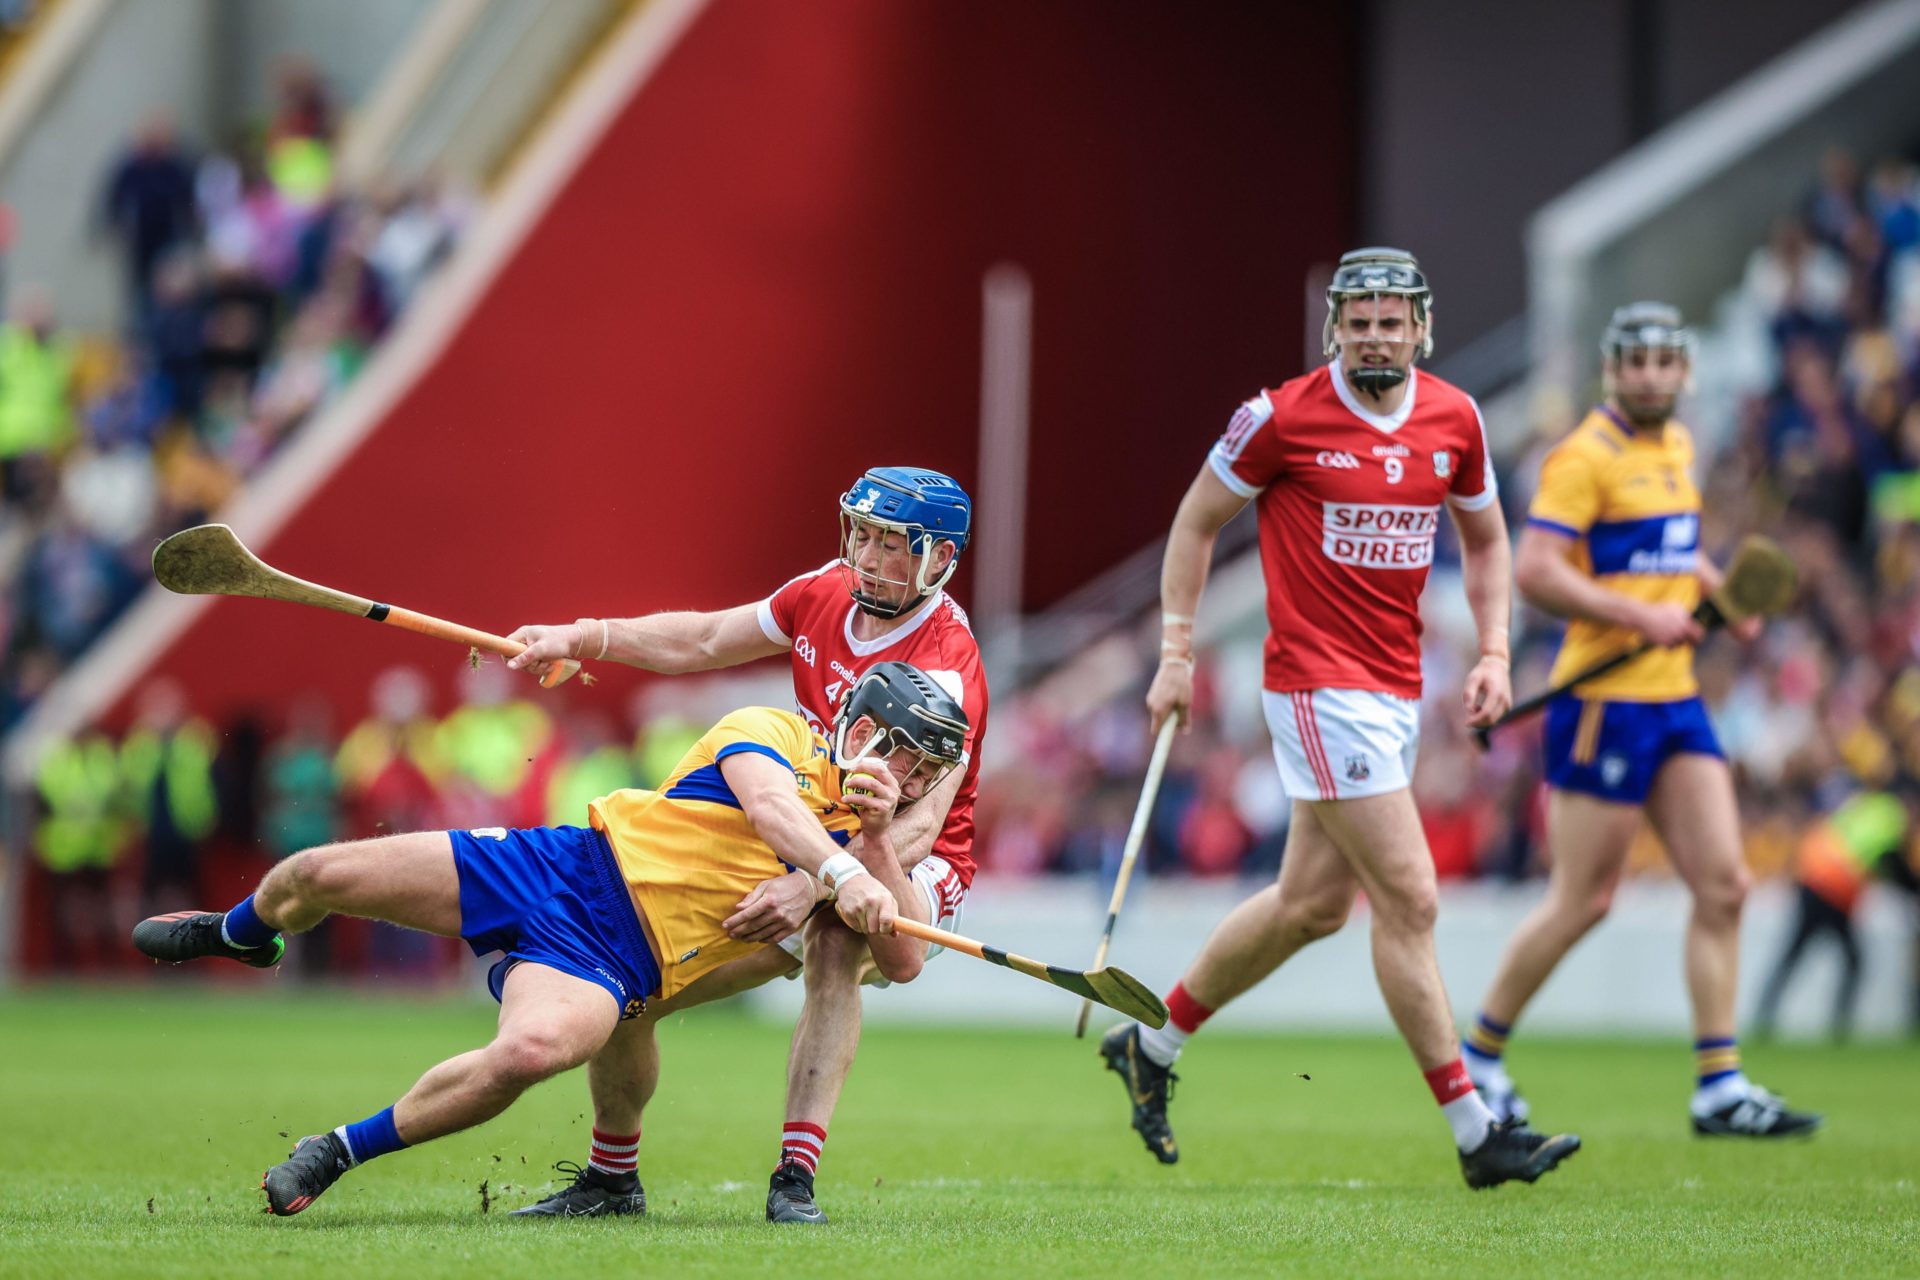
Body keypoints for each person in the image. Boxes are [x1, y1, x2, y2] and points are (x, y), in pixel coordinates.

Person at [129, 662, 967, 1218]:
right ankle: (242, 935)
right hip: (563, 862)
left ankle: (336, 1152)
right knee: (319, 874)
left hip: (616, 958)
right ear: (858, 725)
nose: (908, 775)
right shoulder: (776, 733)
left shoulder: (867, 844)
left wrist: (877, 845)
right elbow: (771, 808)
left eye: (926, 771)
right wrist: (840, 874)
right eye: (900, 751)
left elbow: (900, 959)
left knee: (530, 1053)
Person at [1097, 247, 1578, 1189]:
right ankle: (1479, 1133)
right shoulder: (1279, 417)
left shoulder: (1456, 418)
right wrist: (1176, 653)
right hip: (1316, 687)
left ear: (1420, 328)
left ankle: (1149, 1050)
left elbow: (1486, 540)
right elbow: (1196, 522)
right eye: (1358, 321)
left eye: (1390, 321)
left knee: (1312, 906)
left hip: (1395, 690)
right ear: (1336, 329)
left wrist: (1493, 649)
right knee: (1412, 897)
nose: (1374, 336)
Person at [501, 466, 987, 1224]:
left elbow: (919, 825)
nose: (864, 555)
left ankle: (795, 1177)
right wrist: (583, 636)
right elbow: (700, 638)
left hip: (908, 859)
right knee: (634, 987)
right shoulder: (822, 591)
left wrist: (815, 882)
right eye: (860, 533)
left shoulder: (947, 670)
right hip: (811, 837)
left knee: (834, 943)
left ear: (938, 560)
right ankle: (611, 1179)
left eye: (891, 544)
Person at [1458, 302, 1821, 1138]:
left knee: (1725, 885)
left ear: (1683, 370)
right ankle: (1479, 1057)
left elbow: (1672, 545)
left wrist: (1714, 586)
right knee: (1584, 900)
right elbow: (1540, 571)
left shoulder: (1680, 445)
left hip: (1675, 696)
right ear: (1612, 369)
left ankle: (1718, 1086)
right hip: (1602, 701)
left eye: (1665, 361)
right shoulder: (1584, 458)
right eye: (1637, 361)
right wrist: (1638, 614)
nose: (1652, 375)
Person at [1754, 778, 1920, 1041]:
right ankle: (1838, 1026)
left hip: (1813, 879)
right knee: (1852, 960)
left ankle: (1764, 1017)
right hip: (1835, 888)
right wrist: (1913, 889)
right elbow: (1891, 861)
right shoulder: (1891, 817)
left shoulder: (1868, 806)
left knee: (1794, 955)